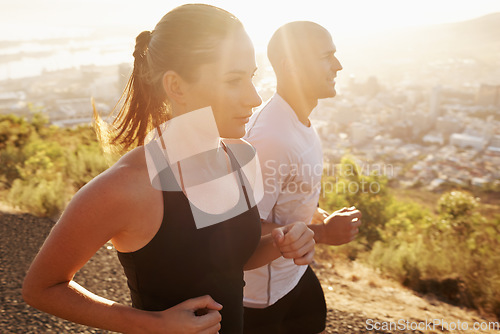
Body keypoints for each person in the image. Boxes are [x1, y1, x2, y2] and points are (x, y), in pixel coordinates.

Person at [22, 5, 315, 334]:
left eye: (252, 76)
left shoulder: (240, 156)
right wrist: (154, 323)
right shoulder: (129, 186)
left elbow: (227, 263)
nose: (255, 97)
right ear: (176, 87)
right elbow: (41, 288)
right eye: (234, 80)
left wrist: (281, 242)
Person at [242, 21, 363, 334]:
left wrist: (318, 215)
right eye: (327, 56)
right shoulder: (271, 138)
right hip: (260, 299)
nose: (338, 65)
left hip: (291, 274)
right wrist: (324, 233)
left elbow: (286, 195)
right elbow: (244, 229)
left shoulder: (297, 119)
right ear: (291, 66)